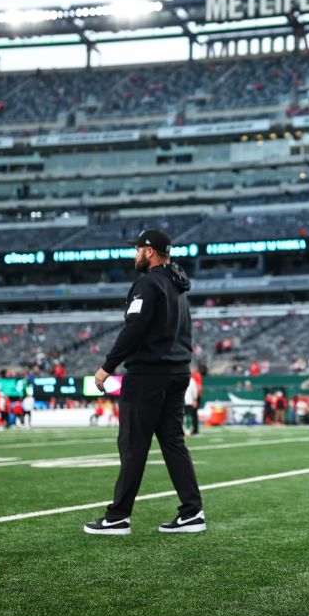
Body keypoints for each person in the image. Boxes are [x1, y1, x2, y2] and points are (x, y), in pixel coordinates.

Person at [85, 229, 207, 537]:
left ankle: (118, 517)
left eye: (138, 248)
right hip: (178, 371)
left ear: (149, 251)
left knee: (133, 443)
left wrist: (106, 367)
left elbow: (134, 328)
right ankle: (192, 512)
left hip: (149, 374)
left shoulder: (148, 283)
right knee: (173, 442)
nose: (134, 254)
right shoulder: (178, 286)